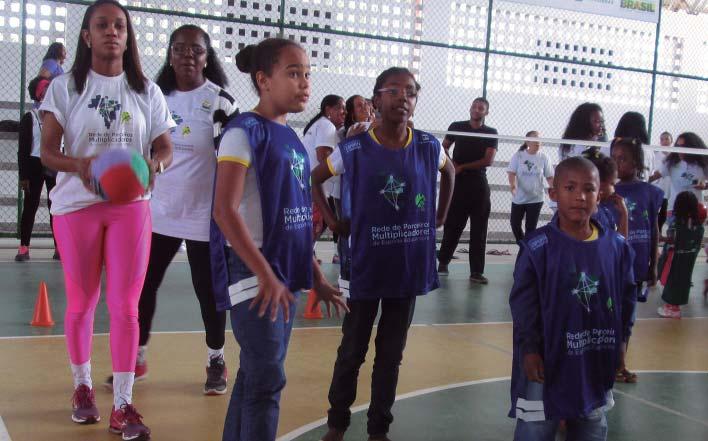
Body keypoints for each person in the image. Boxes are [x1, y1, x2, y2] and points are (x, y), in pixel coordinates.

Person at [39, 1, 175, 439]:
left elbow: (166, 147)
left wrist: (156, 164)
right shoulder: (63, 88)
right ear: (87, 35)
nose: (112, 32)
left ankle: (123, 405)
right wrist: (81, 166)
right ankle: (81, 388)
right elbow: (47, 153)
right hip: (76, 205)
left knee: (125, 305)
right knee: (82, 302)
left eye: (120, 25)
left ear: (128, 35)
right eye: (102, 25)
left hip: (131, 206)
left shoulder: (147, 91)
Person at [210, 38, 348, 441]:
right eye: (292, 73)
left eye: (306, 73)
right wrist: (264, 273)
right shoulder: (243, 132)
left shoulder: (293, 142)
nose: (304, 83)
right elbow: (224, 211)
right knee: (268, 380)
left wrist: (314, 273)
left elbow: (295, 219)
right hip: (253, 270)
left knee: (256, 376)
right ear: (263, 80)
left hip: (282, 273)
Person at [313, 67, 455, 441]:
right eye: (394, 91)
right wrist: (331, 219)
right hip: (365, 268)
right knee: (353, 350)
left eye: (410, 92)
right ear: (376, 100)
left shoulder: (427, 145)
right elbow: (315, 178)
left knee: (390, 356)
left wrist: (440, 215)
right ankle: (337, 423)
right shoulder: (355, 148)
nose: (403, 99)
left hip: (405, 270)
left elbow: (450, 171)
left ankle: (379, 429)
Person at [102, 25, 239, 394]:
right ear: (170, 55)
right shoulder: (155, 96)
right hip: (157, 211)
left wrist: (226, 209)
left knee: (207, 290)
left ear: (207, 56)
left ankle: (216, 358)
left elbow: (231, 160)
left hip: (202, 214)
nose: (187, 56)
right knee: (143, 285)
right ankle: (138, 356)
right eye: (179, 49)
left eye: (195, 50)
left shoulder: (220, 101)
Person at [509, 156, 636, 441]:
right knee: (536, 428)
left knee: (591, 424)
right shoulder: (537, 248)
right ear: (554, 194)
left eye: (589, 189)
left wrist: (622, 345)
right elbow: (523, 305)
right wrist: (530, 349)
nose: (580, 196)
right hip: (546, 360)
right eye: (570, 188)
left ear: (600, 195)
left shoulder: (617, 248)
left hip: (594, 359)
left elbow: (627, 301)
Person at [611, 137, 663, 383]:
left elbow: (654, 229)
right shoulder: (608, 192)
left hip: (637, 266)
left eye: (623, 159)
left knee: (628, 317)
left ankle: (620, 363)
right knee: (608, 314)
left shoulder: (650, 192)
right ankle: (604, 361)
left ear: (636, 162)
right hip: (611, 266)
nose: (618, 163)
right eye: (614, 158)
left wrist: (654, 265)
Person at [438, 97, 498, 283]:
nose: (476, 109)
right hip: (458, 185)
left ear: (486, 112)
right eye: (474, 106)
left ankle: (476, 272)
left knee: (479, 229)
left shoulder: (491, 132)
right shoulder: (456, 126)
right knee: (453, 225)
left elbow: (488, 160)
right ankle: (443, 263)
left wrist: (462, 167)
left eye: (481, 108)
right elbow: (443, 147)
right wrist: (451, 164)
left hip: (479, 185)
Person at [16, 76, 59, 261]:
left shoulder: (59, 116)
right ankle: (24, 247)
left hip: (54, 162)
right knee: (30, 206)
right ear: (38, 94)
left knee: (56, 207)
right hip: (34, 163)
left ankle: (59, 247)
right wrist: (23, 175)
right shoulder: (30, 117)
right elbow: (23, 149)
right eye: (46, 88)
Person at [302, 95, 345, 245]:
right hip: (314, 187)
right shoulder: (327, 125)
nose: (343, 112)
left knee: (312, 228)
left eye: (345, 109)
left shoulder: (319, 124)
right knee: (315, 227)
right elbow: (323, 157)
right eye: (340, 107)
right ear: (328, 109)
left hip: (305, 186)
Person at [657, 191, 704, 318]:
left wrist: (661, 238)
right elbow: (698, 242)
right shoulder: (698, 225)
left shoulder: (677, 223)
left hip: (674, 257)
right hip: (689, 257)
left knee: (672, 280)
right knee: (683, 280)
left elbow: (672, 239)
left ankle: (672, 308)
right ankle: (674, 306)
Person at [507, 131, 553, 243]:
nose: (537, 142)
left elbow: (550, 176)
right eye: (534, 139)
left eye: (539, 140)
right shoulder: (518, 155)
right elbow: (511, 173)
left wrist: (554, 190)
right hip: (519, 198)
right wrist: (513, 186)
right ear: (527, 141)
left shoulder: (544, 157)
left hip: (536, 198)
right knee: (515, 224)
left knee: (530, 228)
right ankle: (523, 245)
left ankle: (527, 252)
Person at [649, 132, 708, 220]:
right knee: (674, 232)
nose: (680, 150)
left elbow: (705, 184)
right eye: (678, 146)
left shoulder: (703, 163)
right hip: (674, 209)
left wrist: (705, 186)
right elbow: (653, 176)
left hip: (696, 209)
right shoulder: (671, 162)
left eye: (683, 146)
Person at [581, 149, 628, 238]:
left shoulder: (605, 213)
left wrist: (623, 215)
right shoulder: (582, 216)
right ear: (599, 184)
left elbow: (619, 246)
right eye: (612, 184)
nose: (614, 190)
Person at [654, 132, 673, 232]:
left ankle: (660, 231)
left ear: (671, 141)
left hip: (669, 189)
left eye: (666, 139)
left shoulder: (675, 156)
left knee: (664, 212)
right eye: (662, 139)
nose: (664, 141)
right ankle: (655, 232)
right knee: (655, 211)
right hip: (658, 187)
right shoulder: (657, 155)